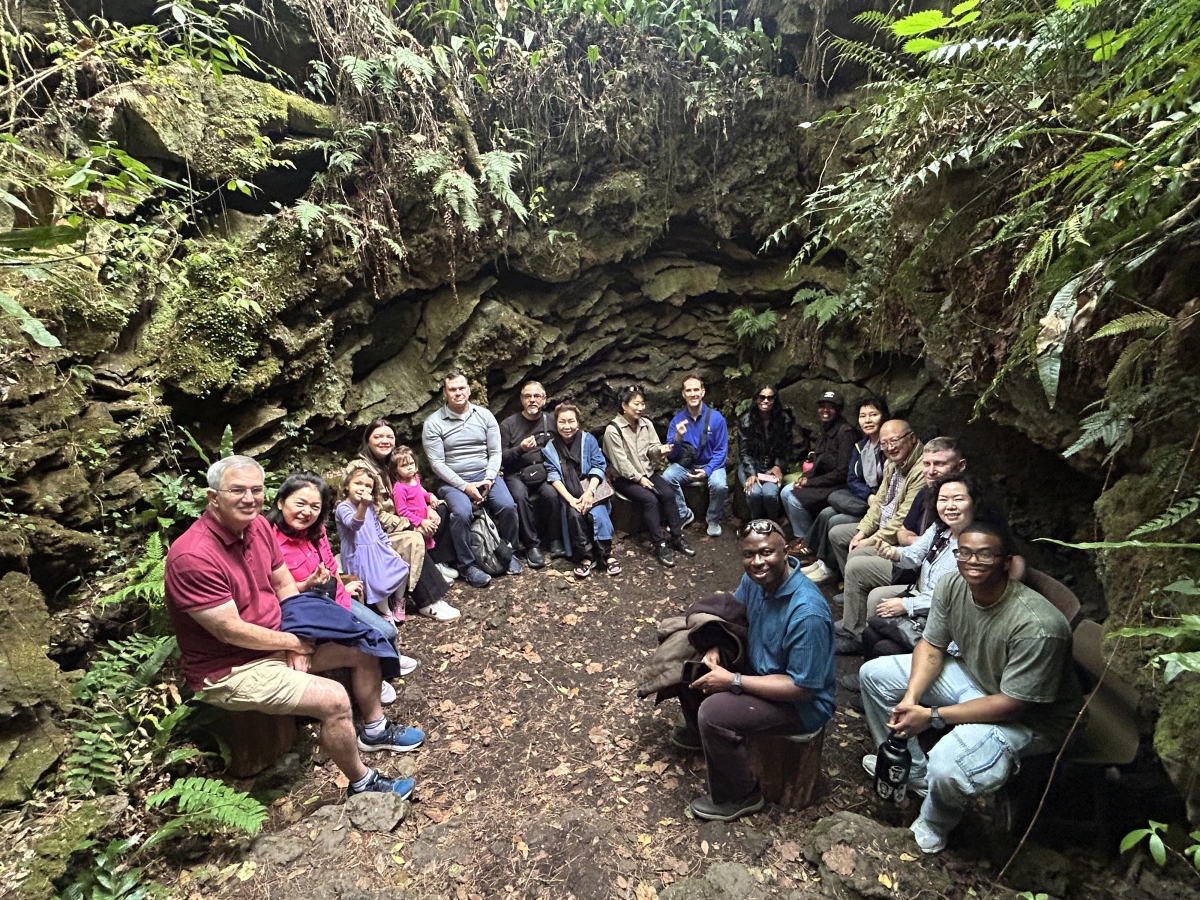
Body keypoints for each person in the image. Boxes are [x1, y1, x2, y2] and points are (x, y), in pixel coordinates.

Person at [164, 456, 423, 800]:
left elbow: (284, 585)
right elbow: (230, 630)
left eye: (256, 490)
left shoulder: (257, 528)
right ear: (213, 497)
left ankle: (374, 729)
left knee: (365, 646)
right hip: (232, 667)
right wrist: (292, 642)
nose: (249, 498)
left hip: (276, 638)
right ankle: (362, 783)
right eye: (237, 490)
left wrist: (296, 637)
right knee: (334, 699)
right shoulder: (193, 557)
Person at [859, 522, 1082, 854]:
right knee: (874, 675)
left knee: (947, 764)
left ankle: (934, 823)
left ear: (1006, 562)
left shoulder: (1039, 627)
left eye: (985, 554)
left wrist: (932, 716)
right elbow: (931, 646)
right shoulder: (952, 585)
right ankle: (914, 771)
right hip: (975, 676)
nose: (972, 561)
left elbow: (1013, 705)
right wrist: (911, 699)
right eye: (964, 553)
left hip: (1031, 718)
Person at [674, 519, 836, 822]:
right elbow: (736, 618)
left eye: (766, 553)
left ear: (786, 551)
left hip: (801, 703)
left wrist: (733, 681)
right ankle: (701, 735)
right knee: (691, 658)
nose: (757, 562)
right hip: (761, 667)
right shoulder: (755, 581)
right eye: (749, 555)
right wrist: (716, 646)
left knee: (714, 713)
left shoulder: (807, 613)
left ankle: (739, 795)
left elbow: (803, 687)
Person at [265, 472, 418, 704]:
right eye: (300, 503)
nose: (307, 512)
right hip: (307, 611)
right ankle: (377, 675)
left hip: (334, 599)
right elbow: (276, 590)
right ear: (280, 502)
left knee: (388, 631)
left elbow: (329, 563)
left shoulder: (316, 532)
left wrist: (341, 587)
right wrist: (307, 585)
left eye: (314, 507)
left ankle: (386, 666)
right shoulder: (268, 540)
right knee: (375, 637)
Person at [829, 436, 967, 651]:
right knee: (850, 550)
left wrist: (907, 603)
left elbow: (958, 594)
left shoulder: (974, 537)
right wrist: (893, 552)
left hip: (937, 605)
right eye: (927, 464)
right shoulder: (936, 516)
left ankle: (863, 637)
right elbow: (905, 533)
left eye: (939, 464)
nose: (931, 471)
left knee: (876, 601)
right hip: (920, 578)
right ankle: (856, 629)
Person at [421, 371, 522, 588]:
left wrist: (488, 479)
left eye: (461, 388)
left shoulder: (484, 416)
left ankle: (509, 551)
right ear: (445, 393)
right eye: (452, 389)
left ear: (468, 390)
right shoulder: (433, 423)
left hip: (485, 475)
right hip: (452, 481)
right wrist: (465, 487)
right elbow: (437, 464)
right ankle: (466, 565)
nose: (458, 393)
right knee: (462, 512)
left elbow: (495, 452)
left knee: (507, 506)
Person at [814, 420, 924, 585]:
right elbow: (879, 502)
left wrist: (870, 540)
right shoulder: (890, 463)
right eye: (884, 443)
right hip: (882, 524)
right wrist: (863, 532)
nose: (890, 447)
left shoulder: (921, 470)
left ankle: (858, 585)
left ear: (912, 438)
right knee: (837, 533)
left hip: (897, 535)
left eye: (894, 441)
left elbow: (902, 518)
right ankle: (852, 584)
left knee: (856, 553)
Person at [603, 385, 694, 568]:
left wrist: (662, 449)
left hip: (647, 472)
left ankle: (677, 536)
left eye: (642, 403)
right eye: (636, 404)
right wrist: (639, 479)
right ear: (624, 406)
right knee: (649, 500)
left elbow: (652, 450)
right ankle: (660, 544)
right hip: (625, 479)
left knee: (668, 494)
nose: (640, 408)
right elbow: (621, 463)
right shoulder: (613, 430)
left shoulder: (646, 424)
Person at [799, 396, 890, 577]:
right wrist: (868, 495)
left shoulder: (889, 446)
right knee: (826, 513)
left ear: (883, 416)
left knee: (834, 521)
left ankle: (830, 568)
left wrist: (875, 499)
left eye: (873, 415)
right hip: (865, 499)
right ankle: (821, 562)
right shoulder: (861, 446)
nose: (868, 420)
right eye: (863, 416)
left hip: (881, 506)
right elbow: (852, 479)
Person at [356, 419, 440, 588]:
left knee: (441, 510)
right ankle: (429, 594)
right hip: (379, 529)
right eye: (378, 437)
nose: (384, 441)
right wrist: (410, 524)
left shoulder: (392, 461)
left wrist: (429, 507)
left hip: (403, 516)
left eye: (390, 437)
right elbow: (374, 514)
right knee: (414, 537)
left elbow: (417, 491)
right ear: (368, 440)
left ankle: (439, 562)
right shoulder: (361, 469)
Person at [542, 402, 619, 578]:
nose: (567, 426)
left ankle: (607, 553)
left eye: (571, 421)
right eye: (562, 421)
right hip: (570, 492)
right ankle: (587, 555)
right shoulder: (550, 448)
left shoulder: (588, 440)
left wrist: (590, 492)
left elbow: (599, 465)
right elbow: (553, 476)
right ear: (556, 423)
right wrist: (571, 500)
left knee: (598, 513)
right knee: (574, 515)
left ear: (577, 422)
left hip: (591, 488)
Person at [780, 390, 857, 550]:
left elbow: (842, 472)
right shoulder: (825, 429)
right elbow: (818, 462)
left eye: (831, 407)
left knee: (795, 499)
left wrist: (810, 483)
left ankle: (809, 544)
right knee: (786, 491)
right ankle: (802, 536)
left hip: (838, 486)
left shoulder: (845, 433)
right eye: (822, 406)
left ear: (839, 409)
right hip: (823, 481)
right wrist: (805, 477)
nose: (825, 410)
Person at [499, 381, 564, 568]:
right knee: (519, 497)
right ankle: (531, 545)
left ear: (544, 399)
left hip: (543, 470)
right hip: (517, 473)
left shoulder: (551, 421)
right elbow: (501, 457)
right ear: (521, 399)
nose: (532, 400)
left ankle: (555, 539)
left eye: (536, 396)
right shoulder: (508, 425)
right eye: (528, 396)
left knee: (551, 494)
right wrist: (520, 449)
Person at [663, 374, 730, 537]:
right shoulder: (677, 421)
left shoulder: (716, 419)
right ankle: (683, 513)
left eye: (696, 390)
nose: (693, 394)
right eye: (688, 390)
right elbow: (671, 457)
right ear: (683, 394)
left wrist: (707, 471)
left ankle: (713, 519)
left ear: (702, 392)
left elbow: (721, 451)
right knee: (667, 477)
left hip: (711, 464)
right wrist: (678, 437)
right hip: (688, 466)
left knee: (719, 485)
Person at [737, 384, 795, 520]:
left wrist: (778, 466)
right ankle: (756, 523)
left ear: (775, 400)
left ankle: (772, 523)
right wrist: (751, 473)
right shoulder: (746, 421)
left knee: (769, 494)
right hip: (751, 464)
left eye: (770, 398)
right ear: (756, 399)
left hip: (772, 466)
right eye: (762, 397)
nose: (765, 401)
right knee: (754, 493)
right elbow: (744, 451)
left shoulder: (783, 420)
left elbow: (787, 448)